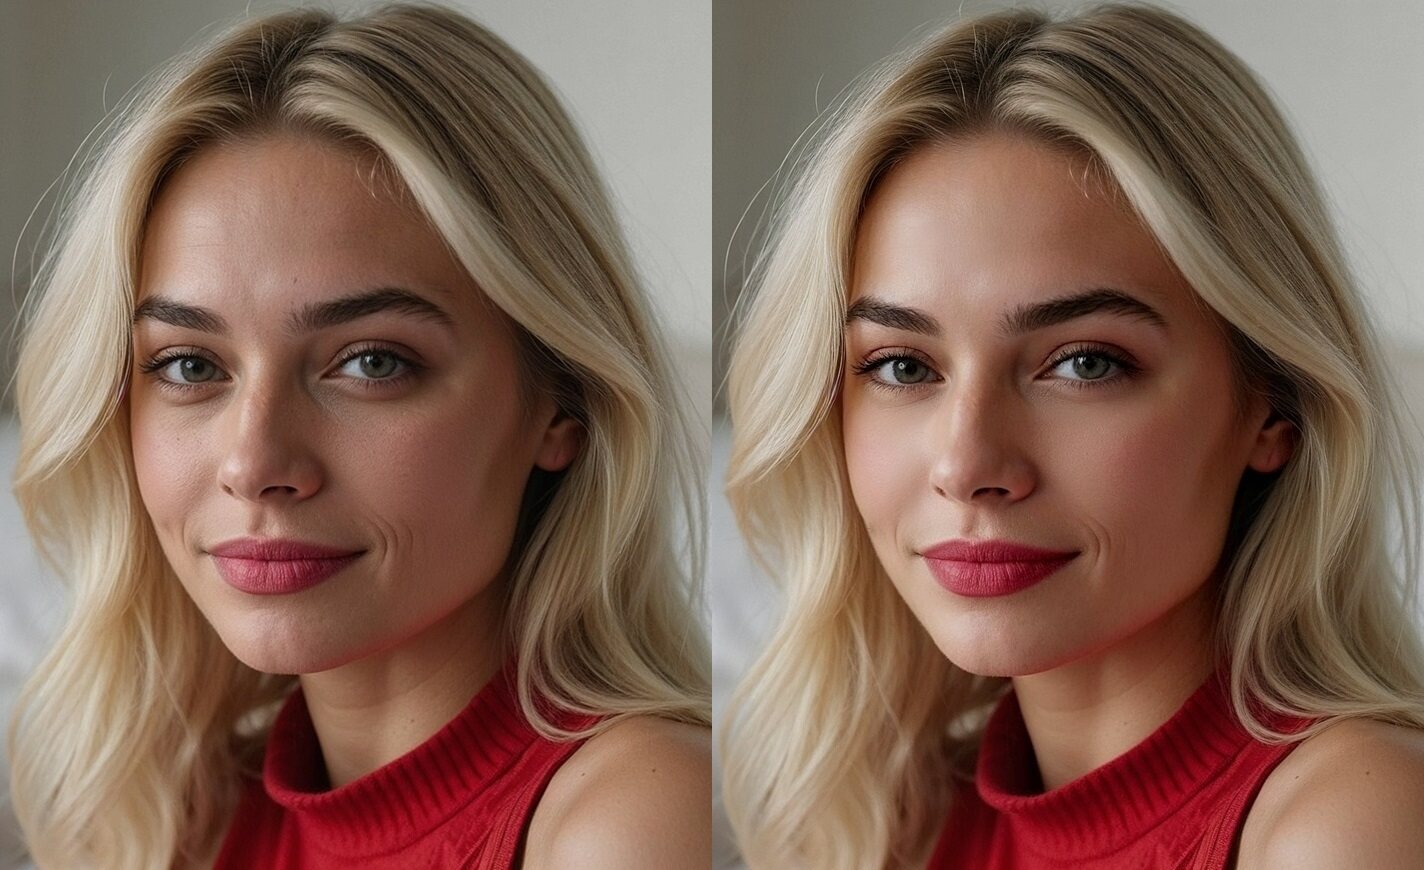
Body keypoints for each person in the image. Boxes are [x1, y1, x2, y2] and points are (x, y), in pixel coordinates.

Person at [720, 3, 1424, 868]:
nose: (969, 465)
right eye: (904, 367)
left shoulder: (1351, 824)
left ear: (1274, 409)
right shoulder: (892, 822)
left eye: (1085, 363)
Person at [6, 4, 710, 868]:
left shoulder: (632, 817)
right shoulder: (165, 817)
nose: (255, 463)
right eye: (190, 366)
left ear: (561, 405)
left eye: (372, 363)